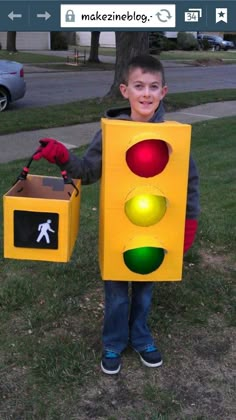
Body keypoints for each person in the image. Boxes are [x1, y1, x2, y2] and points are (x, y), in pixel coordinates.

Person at [33, 54, 200, 375]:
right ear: (125, 91)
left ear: (164, 92)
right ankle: (113, 342)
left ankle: (140, 336)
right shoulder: (111, 133)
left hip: (154, 230)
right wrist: (62, 155)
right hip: (120, 233)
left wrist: (188, 224)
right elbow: (88, 171)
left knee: (145, 293)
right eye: (139, 86)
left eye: (153, 87)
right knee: (117, 295)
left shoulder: (173, 139)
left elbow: (189, 182)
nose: (146, 94)